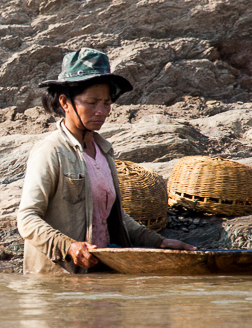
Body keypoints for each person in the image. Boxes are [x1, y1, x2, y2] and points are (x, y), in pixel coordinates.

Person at [17, 48, 195, 274]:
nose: (101, 111)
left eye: (106, 103)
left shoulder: (103, 151)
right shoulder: (51, 152)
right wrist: (69, 247)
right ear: (65, 102)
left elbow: (112, 215)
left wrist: (157, 242)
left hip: (99, 275)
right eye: (92, 103)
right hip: (60, 283)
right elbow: (27, 219)